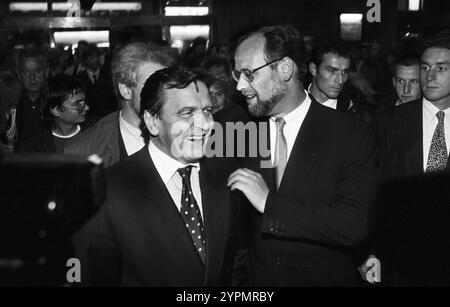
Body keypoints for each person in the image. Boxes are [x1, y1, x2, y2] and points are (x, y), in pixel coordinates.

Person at [228, 24, 377, 286]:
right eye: (237, 74)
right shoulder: (238, 130)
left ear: (284, 69)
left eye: (249, 73)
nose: (240, 85)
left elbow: (355, 224)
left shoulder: (350, 134)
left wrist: (269, 205)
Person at [73, 66, 239, 286]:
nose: (204, 124)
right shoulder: (108, 190)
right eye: (187, 113)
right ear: (152, 121)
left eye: (207, 111)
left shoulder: (226, 175)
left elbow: (237, 265)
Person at [361, 29, 450, 285]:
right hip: (398, 261)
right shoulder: (387, 123)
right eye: (425, 68)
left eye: (441, 68)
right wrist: (367, 254)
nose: (429, 77)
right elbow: (369, 191)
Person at [64, 42, 178, 167]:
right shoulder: (84, 153)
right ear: (125, 90)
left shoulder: (183, 135)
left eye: (166, 87)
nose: (164, 96)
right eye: (152, 86)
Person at [16, 74, 88, 153]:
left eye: (84, 103)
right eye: (77, 104)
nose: (87, 108)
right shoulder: (33, 142)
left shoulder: (95, 133)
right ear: (56, 110)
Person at [15, 48, 49, 146]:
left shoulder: (57, 101)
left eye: (37, 71)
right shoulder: (9, 103)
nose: (32, 77)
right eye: (26, 72)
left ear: (46, 72)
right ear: (19, 74)